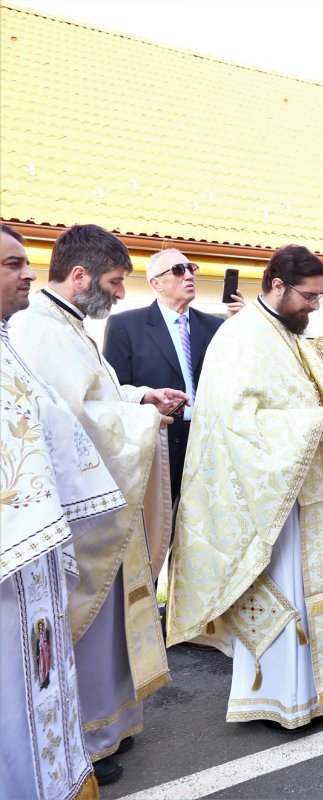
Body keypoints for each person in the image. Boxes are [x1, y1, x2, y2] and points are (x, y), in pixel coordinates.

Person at [167, 245, 323, 730]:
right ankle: (279, 700)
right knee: (288, 593)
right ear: (278, 286)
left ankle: (321, 693)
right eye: (309, 296)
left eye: (320, 296)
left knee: (315, 597)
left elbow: (321, 402)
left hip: (311, 491)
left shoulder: (295, 336)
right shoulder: (239, 337)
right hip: (273, 501)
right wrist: (311, 424)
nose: (315, 306)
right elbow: (232, 422)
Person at [9, 224, 176, 784]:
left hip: (104, 501)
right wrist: (145, 420)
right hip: (78, 509)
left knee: (107, 618)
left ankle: (109, 725)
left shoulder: (68, 324)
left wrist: (141, 396)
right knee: (83, 620)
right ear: (79, 277)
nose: (121, 294)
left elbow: (95, 395)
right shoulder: (37, 329)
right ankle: (82, 737)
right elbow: (72, 420)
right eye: (114, 282)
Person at [1, 224, 127, 799]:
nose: (28, 273)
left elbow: (56, 418)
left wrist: (138, 401)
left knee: (38, 677)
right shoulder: (37, 328)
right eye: (13, 264)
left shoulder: (23, 336)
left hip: (42, 540)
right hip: (17, 545)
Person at [102, 248, 239, 504]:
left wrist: (240, 326)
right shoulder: (125, 325)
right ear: (156, 283)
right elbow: (115, 389)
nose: (188, 275)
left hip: (205, 439)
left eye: (191, 268)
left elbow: (233, 378)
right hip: (157, 438)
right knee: (157, 519)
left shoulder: (217, 326)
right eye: (178, 270)